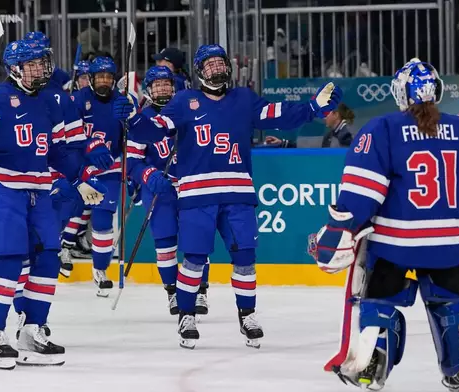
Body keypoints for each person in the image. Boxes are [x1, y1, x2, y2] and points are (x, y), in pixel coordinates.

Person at [308, 58, 459, 391]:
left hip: (395, 245)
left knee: (379, 298)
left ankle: (372, 361)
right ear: (437, 91)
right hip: (449, 245)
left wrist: (341, 227)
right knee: (453, 300)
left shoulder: (382, 128)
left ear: (401, 93)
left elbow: (363, 192)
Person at [149, 44, 342, 349]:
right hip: (197, 195)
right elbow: (154, 129)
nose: (216, 69)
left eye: (219, 63)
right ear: (200, 72)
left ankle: (247, 315)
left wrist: (313, 107)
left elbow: (278, 114)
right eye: (209, 65)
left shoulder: (243, 99)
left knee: (245, 258)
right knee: (195, 259)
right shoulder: (184, 101)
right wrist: (131, 120)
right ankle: (186, 314)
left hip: (237, 193)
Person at [0, 40, 109, 370]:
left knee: (48, 260)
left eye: (42, 63)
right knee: (10, 261)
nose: (39, 69)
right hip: (2, 189)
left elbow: (55, 152)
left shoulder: (50, 100)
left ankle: (30, 331)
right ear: (14, 69)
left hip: (38, 191)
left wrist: (80, 176)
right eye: (31, 65)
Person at [120, 65, 210, 316]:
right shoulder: (141, 119)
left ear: (174, 86)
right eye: (157, 84)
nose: (162, 88)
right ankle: (173, 292)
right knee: (165, 242)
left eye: (166, 84)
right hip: (159, 188)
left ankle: (200, 290)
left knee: (197, 240)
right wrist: (146, 175)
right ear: (148, 89)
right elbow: (133, 162)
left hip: (192, 186)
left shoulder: (190, 111)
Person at [70, 56, 129, 297]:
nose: (104, 81)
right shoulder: (76, 100)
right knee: (64, 213)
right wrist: (89, 149)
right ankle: (58, 254)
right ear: (91, 79)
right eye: (99, 77)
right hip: (79, 168)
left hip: (110, 168)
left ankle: (100, 269)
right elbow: (67, 136)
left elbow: (132, 138)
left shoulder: (123, 102)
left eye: (108, 77)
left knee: (104, 218)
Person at [265, 103, 355, 148]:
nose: (323, 117)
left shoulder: (347, 134)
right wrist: (282, 143)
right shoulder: (331, 135)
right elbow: (310, 144)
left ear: (336, 115)